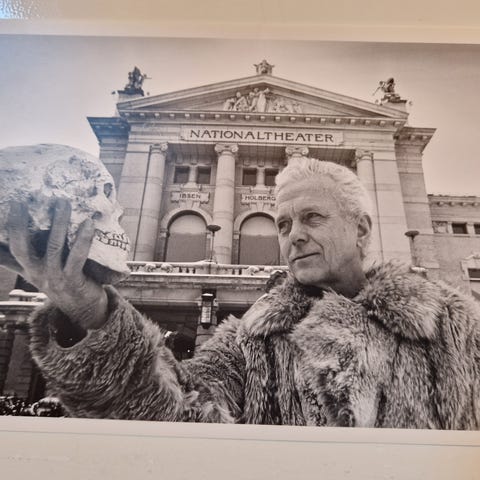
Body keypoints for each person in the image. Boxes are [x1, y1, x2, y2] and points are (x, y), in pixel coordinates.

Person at [2, 158, 479, 428]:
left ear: (362, 229)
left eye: (312, 217)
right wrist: (91, 312)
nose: (293, 236)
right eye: (283, 224)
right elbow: (174, 414)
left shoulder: (455, 328)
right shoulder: (250, 341)